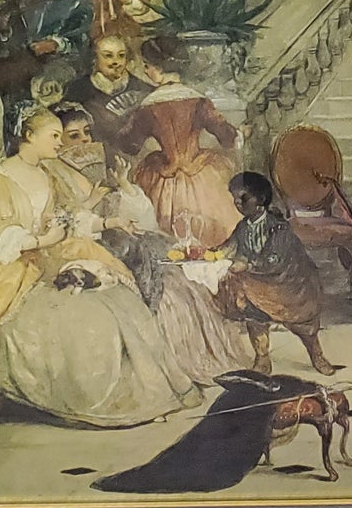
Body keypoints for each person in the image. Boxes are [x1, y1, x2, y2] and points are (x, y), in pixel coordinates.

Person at [0, 107, 193, 426]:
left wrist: (110, 222)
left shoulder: (46, 173)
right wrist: (39, 241)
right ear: (29, 136)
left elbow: (65, 217)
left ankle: (147, 394)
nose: (60, 144)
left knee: (122, 303)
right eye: (54, 136)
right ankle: (96, 401)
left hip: (50, 255)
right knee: (85, 318)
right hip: (9, 270)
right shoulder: (1, 178)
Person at [216, 172, 336, 375]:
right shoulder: (242, 227)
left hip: (288, 282)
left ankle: (316, 355)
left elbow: (275, 258)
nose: (237, 203)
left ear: (261, 200)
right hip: (258, 284)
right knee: (255, 317)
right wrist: (211, 254)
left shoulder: (279, 227)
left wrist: (248, 264)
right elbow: (229, 247)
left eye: (244, 198)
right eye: (235, 198)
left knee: (302, 323)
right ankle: (262, 358)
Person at [129, 39, 245, 246]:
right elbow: (227, 136)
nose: (146, 72)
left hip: (164, 178)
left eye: (147, 66)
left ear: (158, 68)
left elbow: (130, 144)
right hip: (201, 174)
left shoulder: (147, 107)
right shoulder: (198, 101)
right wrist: (240, 133)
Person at [64, 34, 155, 149]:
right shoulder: (76, 90)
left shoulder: (143, 89)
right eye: (108, 56)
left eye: (121, 55)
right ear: (95, 58)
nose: (116, 61)